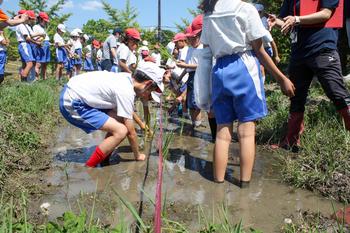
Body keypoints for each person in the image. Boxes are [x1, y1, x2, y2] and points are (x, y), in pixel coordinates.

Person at [200, 0, 295, 186]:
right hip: (243, 68)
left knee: (222, 132)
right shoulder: (245, 9)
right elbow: (259, 49)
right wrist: (281, 77)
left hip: (219, 70)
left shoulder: (209, 13)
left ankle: (217, 184)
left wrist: (203, 91)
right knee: (246, 132)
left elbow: (206, 52)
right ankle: (244, 185)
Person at [269, 0, 350, 151]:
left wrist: (297, 19)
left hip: (322, 48)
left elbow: (326, 14)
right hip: (299, 52)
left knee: (337, 93)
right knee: (296, 96)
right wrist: (276, 21)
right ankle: (291, 141)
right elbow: (286, 20)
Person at [59, 61, 167, 167]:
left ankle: (104, 157)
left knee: (119, 120)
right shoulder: (126, 91)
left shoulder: (126, 78)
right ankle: (91, 166)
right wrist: (137, 155)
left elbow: (127, 113)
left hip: (76, 92)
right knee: (121, 131)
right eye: (151, 91)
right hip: (72, 101)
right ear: (147, 84)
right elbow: (131, 133)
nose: (148, 97)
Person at [176, 16, 204, 128]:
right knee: (190, 103)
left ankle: (197, 124)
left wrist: (185, 65)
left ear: (199, 37)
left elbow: (201, 66)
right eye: (189, 39)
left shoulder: (202, 48)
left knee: (196, 103)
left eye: (193, 38)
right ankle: (194, 124)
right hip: (191, 76)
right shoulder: (190, 49)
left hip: (200, 76)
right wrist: (180, 76)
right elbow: (187, 67)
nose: (191, 41)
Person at [16, 10, 41, 82]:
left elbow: (31, 35)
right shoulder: (21, 25)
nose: (30, 20)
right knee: (30, 63)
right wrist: (36, 43)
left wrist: (39, 36)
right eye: (29, 18)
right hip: (24, 44)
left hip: (26, 44)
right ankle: (24, 82)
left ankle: (23, 82)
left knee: (25, 64)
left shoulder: (25, 25)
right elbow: (27, 38)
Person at [33, 12, 50, 80]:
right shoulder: (35, 27)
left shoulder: (42, 28)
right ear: (40, 19)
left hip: (46, 45)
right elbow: (34, 38)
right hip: (41, 46)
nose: (46, 22)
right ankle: (36, 79)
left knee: (45, 63)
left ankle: (44, 79)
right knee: (39, 63)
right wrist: (39, 42)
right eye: (45, 21)